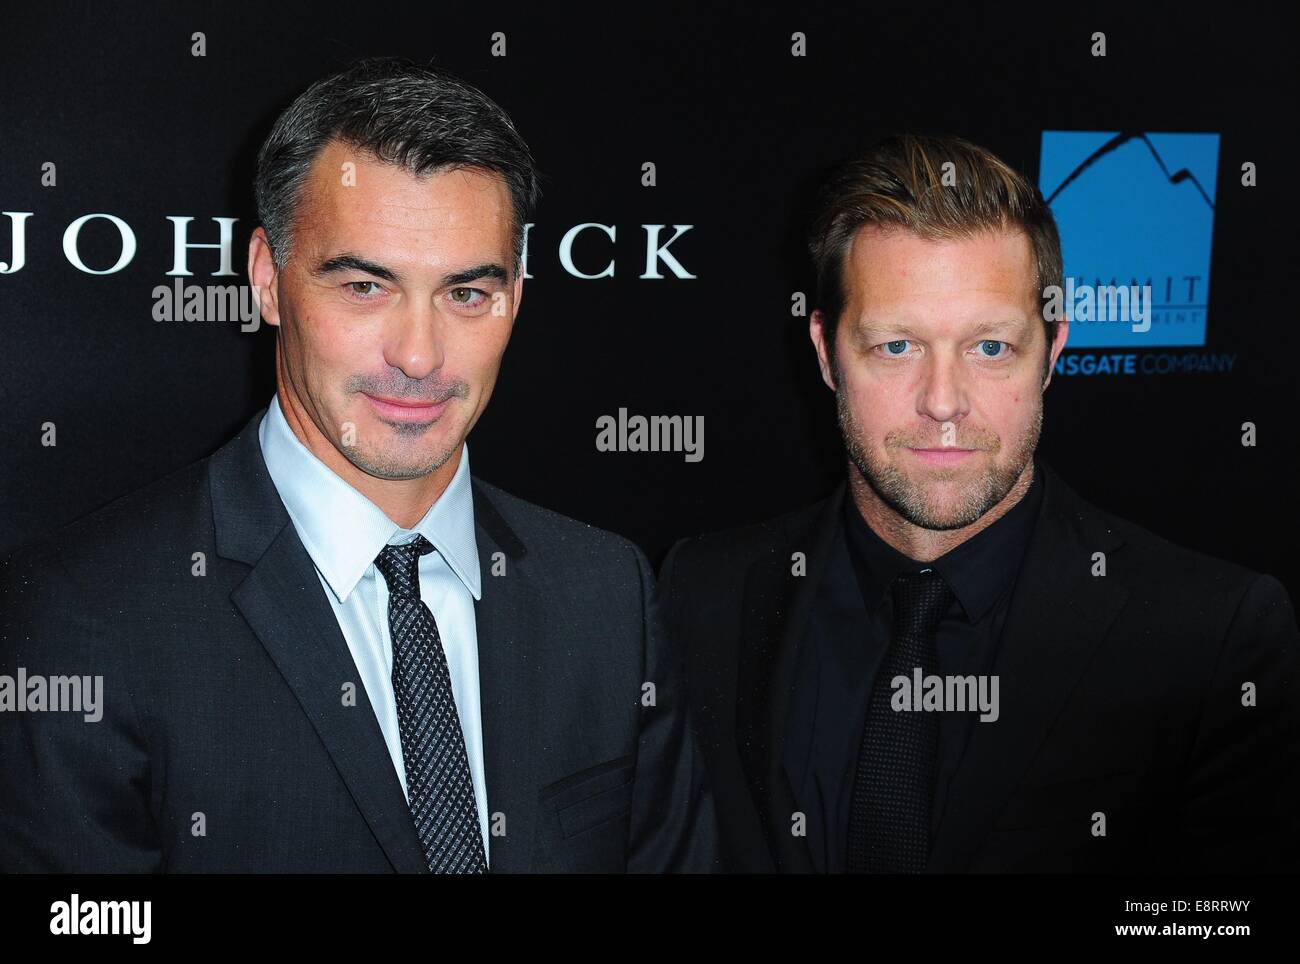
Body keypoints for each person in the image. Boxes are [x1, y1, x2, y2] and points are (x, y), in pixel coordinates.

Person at [0, 57, 716, 873]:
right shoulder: (81, 620)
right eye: (365, 287)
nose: (419, 356)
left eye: (466, 294)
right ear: (268, 279)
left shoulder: (606, 596)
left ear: (516, 293)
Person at [658, 134, 1299, 873]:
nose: (943, 404)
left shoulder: (1208, 636)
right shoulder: (699, 594)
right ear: (826, 353)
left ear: (1053, 352)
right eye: (896, 346)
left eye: (990, 348)